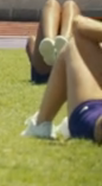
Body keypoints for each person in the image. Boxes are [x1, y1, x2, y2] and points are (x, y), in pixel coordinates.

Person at [21, 14, 102, 144]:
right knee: (73, 40)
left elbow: (80, 24)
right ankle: (41, 123)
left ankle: (41, 123)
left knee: (72, 44)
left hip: (94, 117)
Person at [26, 0, 77, 85]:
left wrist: (31, 43)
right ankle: (65, 39)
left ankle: (50, 40)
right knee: (71, 5)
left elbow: (30, 42)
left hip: (43, 71)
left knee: (51, 3)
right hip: (69, 68)